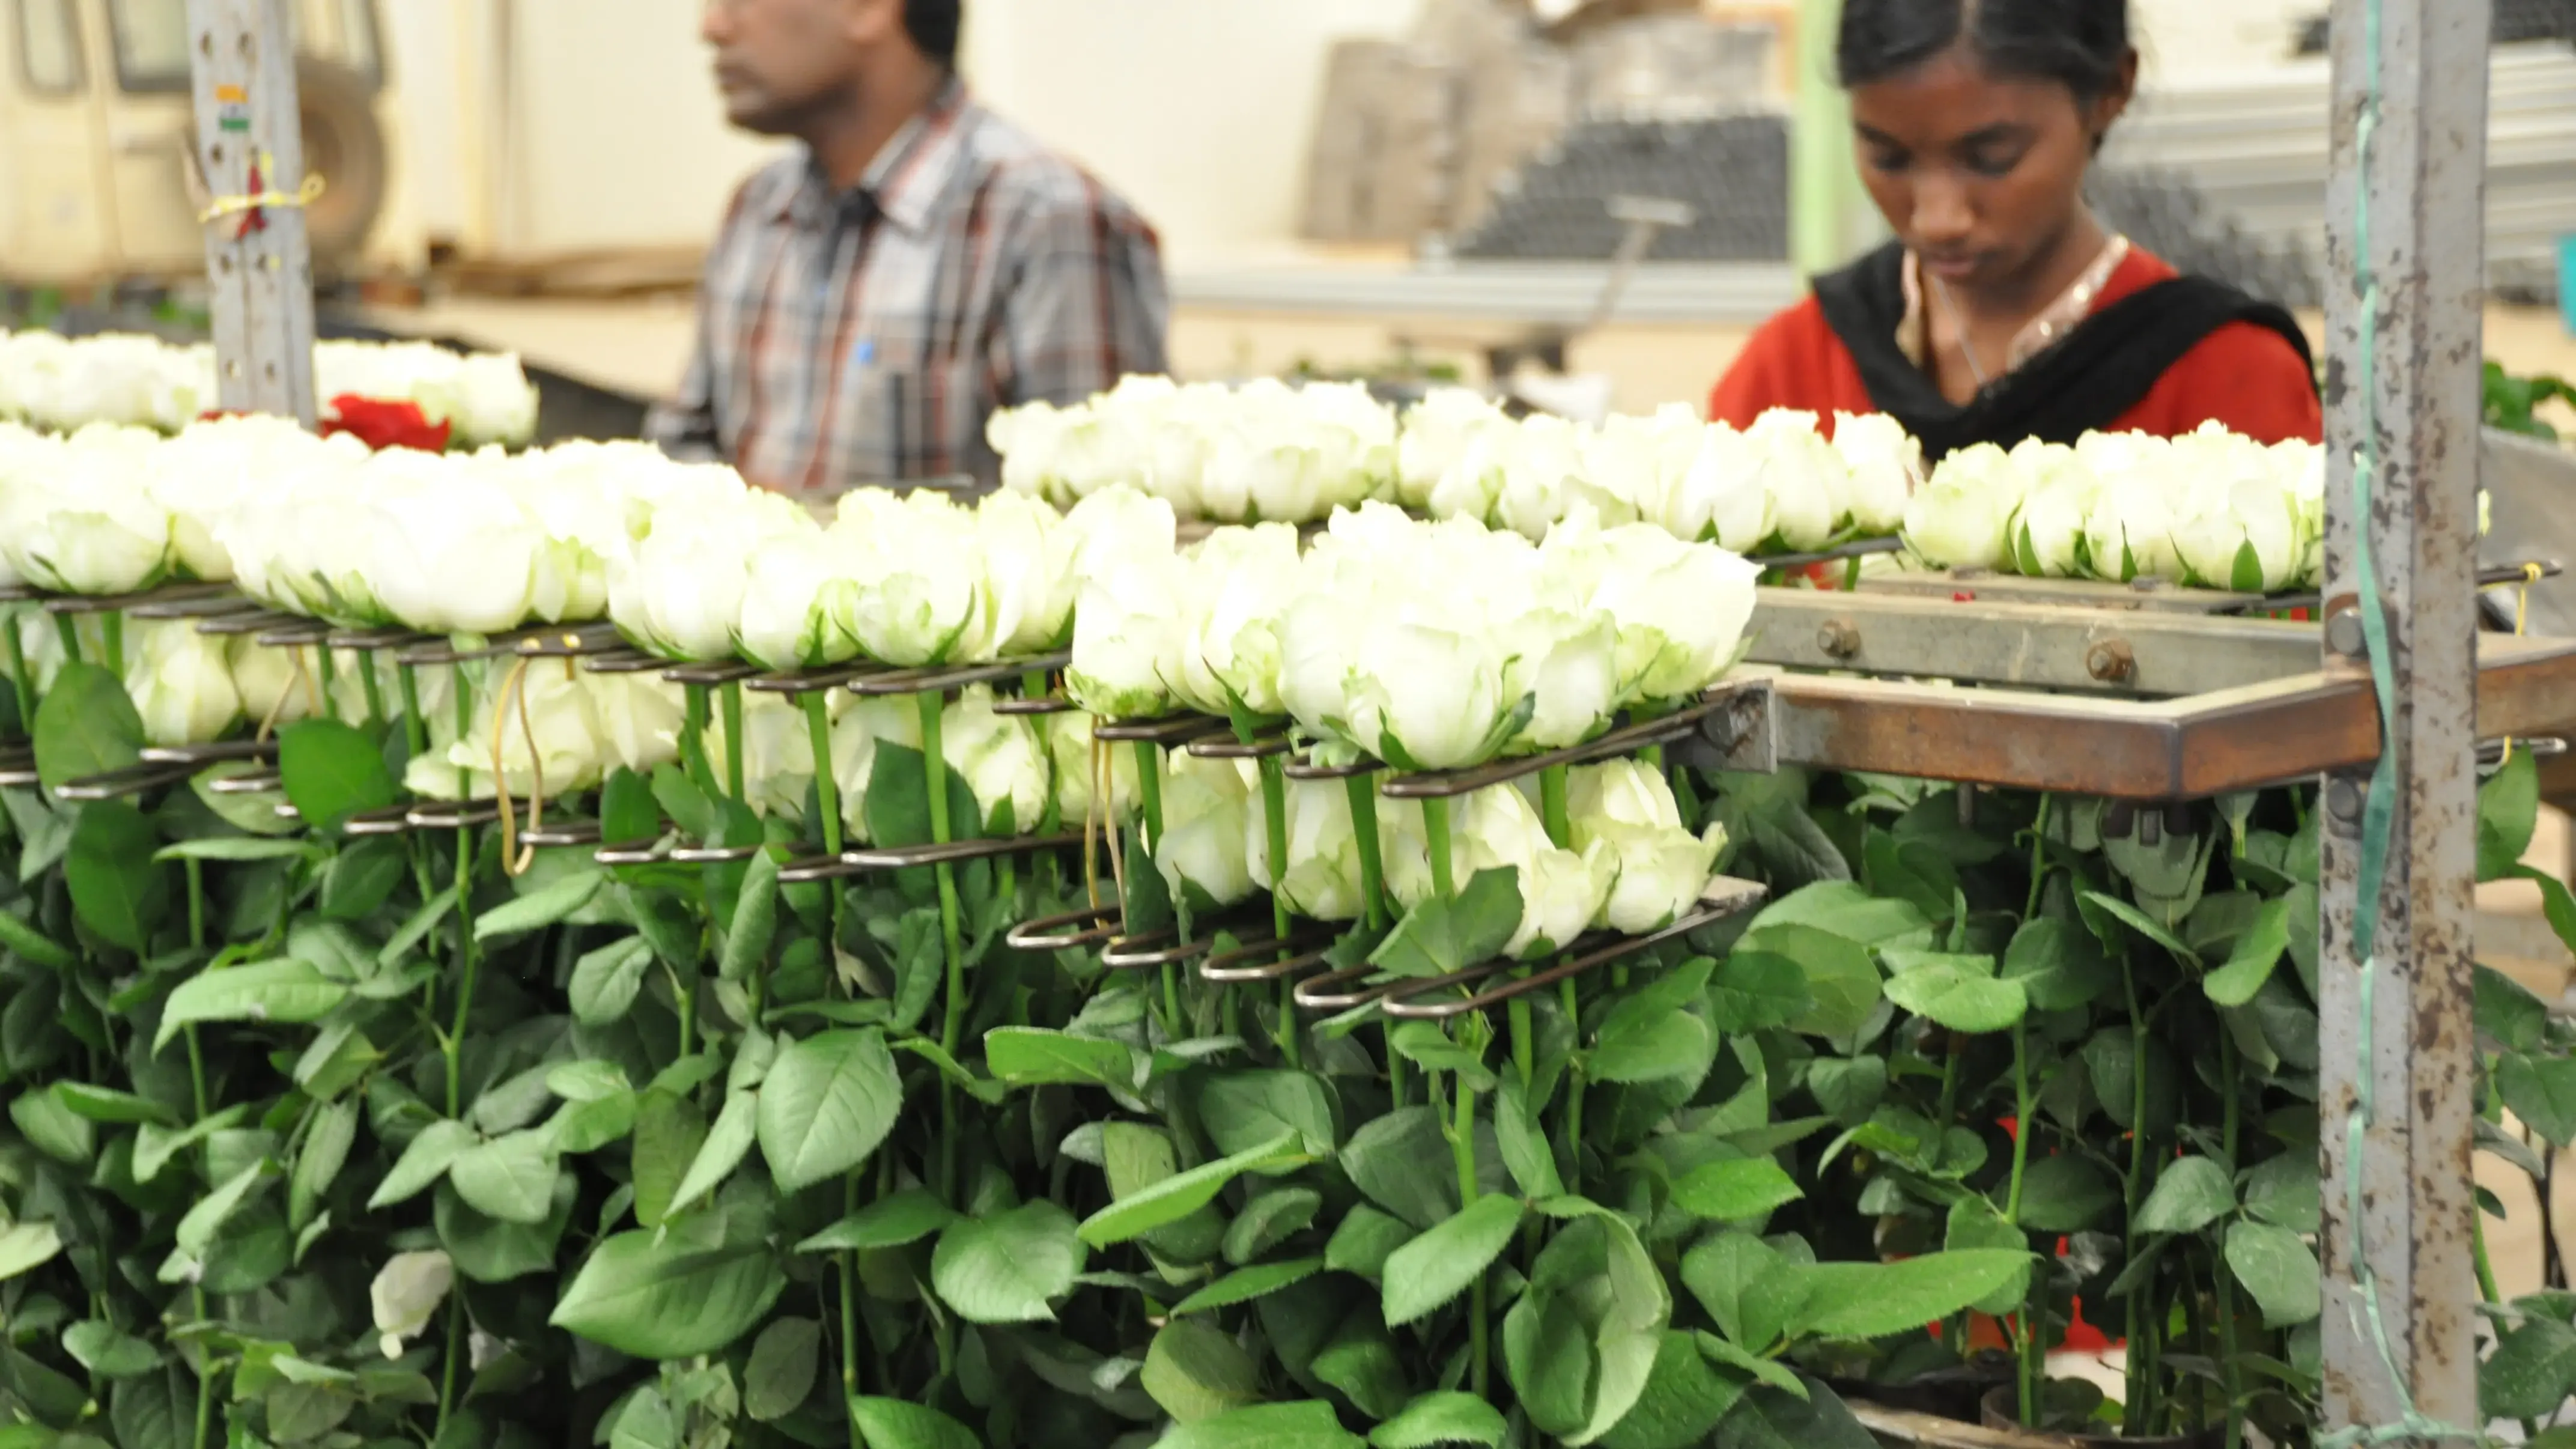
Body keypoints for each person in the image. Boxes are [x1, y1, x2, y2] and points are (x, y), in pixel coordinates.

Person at [1709, 0, 2322, 458]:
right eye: (1888, 158)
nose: (1937, 218)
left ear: (2111, 89)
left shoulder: (2225, 381)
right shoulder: (1792, 371)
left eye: (1990, 158)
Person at [649, 0, 1171, 494]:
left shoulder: (1045, 222)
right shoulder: (759, 208)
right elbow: (682, 451)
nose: (712, 26)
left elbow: (1098, 528)